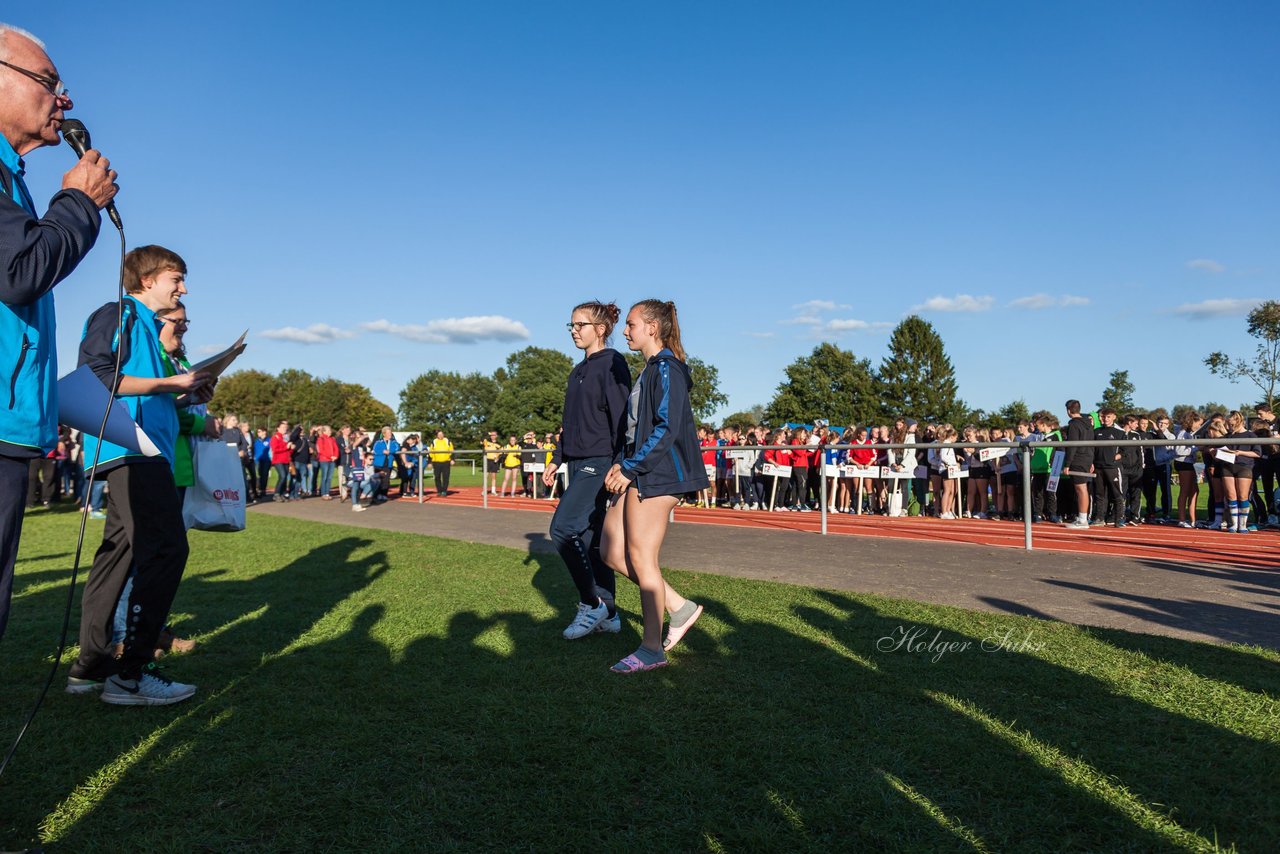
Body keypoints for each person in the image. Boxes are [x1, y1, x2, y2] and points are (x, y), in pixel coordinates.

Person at [0, 23, 118, 640]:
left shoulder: (11, 176)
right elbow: (19, 272)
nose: (64, 100)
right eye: (49, 82)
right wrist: (77, 203)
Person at [66, 245, 210, 705]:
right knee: (167, 549)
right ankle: (131, 675)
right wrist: (172, 384)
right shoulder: (119, 313)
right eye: (176, 278)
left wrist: (185, 393)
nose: (183, 288)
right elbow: (94, 374)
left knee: (118, 559)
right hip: (131, 450)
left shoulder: (149, 329)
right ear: (148, 280)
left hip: (144, 453)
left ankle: (90, 667)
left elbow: (146, 392)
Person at [601, 299, 708, 674]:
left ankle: (651, 649)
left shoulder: (667, 369)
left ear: (651, 327)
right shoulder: (649, 370)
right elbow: (638, 429)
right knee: (611, 552)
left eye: (630, 324)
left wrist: (630, 467)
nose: (625, 331)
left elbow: (666, 428)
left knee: (643, 559)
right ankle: (680, 607)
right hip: (638, 470)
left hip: (659, 475)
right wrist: (621, 461)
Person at [543, 300, 631, 640]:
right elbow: (570, 423)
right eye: (572, 325)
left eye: (580, 325)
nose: (574, 331)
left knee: (563, 529)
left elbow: (624, 418)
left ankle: (590, 602)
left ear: (601, 329)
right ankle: (609, 613)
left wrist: (622, 460)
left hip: (601, 460)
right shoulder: (577, 370)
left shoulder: (613, 364)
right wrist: (557, 457)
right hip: (577, 461)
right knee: (590, 540)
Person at [1062, 400, 1095, 529]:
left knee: (1081, 489)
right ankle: (1082, 518)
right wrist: (1091, 460)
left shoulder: (1074, 425)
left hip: (1078, 459)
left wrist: (1067, 464)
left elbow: (1072, 445)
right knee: (1082, 488)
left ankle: (1083, 520)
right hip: (1087, 458)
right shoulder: (1088, 424)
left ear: (1069, 411)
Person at [372, 426, 398, 502]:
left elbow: (397, 448)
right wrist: (383, 451)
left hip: (388, 464)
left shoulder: (393, 442)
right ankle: (376, 495)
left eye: (390, 432)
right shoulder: (378, 442)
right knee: (378, 480)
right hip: (378, 464)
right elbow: (375, 450)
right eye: (388, 433)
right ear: (384, 434)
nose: (390, 434)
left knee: (386, 480)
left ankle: (384, 494)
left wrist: (390, 451)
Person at [315, 425, 339, 499]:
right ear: (324, 431)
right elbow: (321, 451)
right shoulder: (320, 439)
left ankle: (327, 493)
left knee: (329, 477)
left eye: (330, 430)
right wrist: (330, 456)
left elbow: (336, 448)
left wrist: (335, 456)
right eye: (328, 430)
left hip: (332, 460)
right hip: (324, 460)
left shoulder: (332, 439)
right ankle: (323, 493)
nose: (330, 431)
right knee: (324, 477)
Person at [428, 429, 453, 497]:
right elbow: (430, 452)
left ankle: (444, 491)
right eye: (439, 434)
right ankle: (439, 491)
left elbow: (452, 450)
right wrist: (429, 462)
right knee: (437, 477)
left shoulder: (447, 441)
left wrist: (452, 459)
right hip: (436, 462)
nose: (441, 435)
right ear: (437, 436)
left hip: (446, 462)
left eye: (442, 434)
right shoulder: (434, 442)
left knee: (446, 477)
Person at [482, 429, 501, 495]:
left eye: (494, 435)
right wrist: (487, 434)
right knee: (486, 476)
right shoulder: (486, 441)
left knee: (494, 476)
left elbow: (500, 453)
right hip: (487, 460)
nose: (492, 436)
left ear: (496, 436)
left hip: (494, 461)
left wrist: (498, 458)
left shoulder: (499, 444)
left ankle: (493, 490)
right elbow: (482, 439)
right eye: (491, 435)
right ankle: (484, 490)